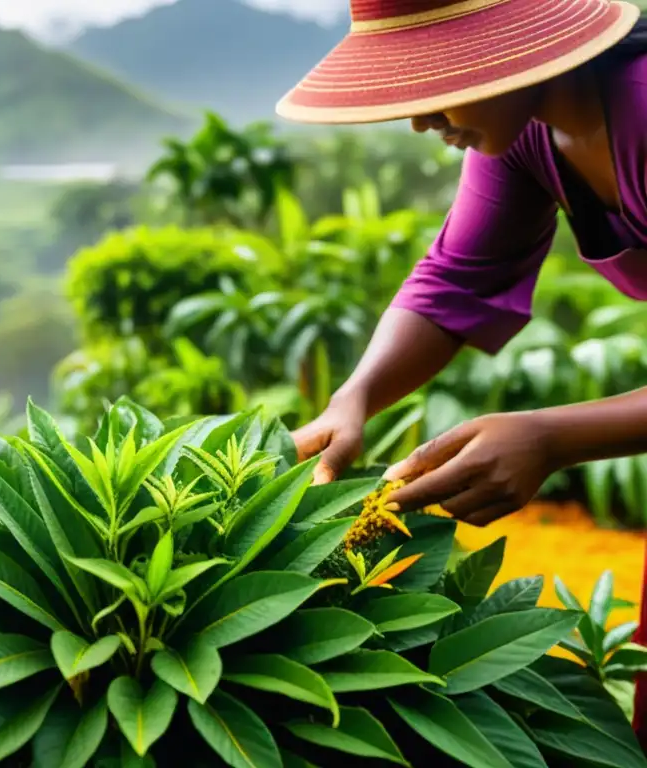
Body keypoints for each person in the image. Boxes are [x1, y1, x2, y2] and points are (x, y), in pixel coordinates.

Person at [275, 0, 647, 750]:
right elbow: (454, 282)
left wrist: (550, 436)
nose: (420, 119)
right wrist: (354, 401)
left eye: (439, 79)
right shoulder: (528, 134)